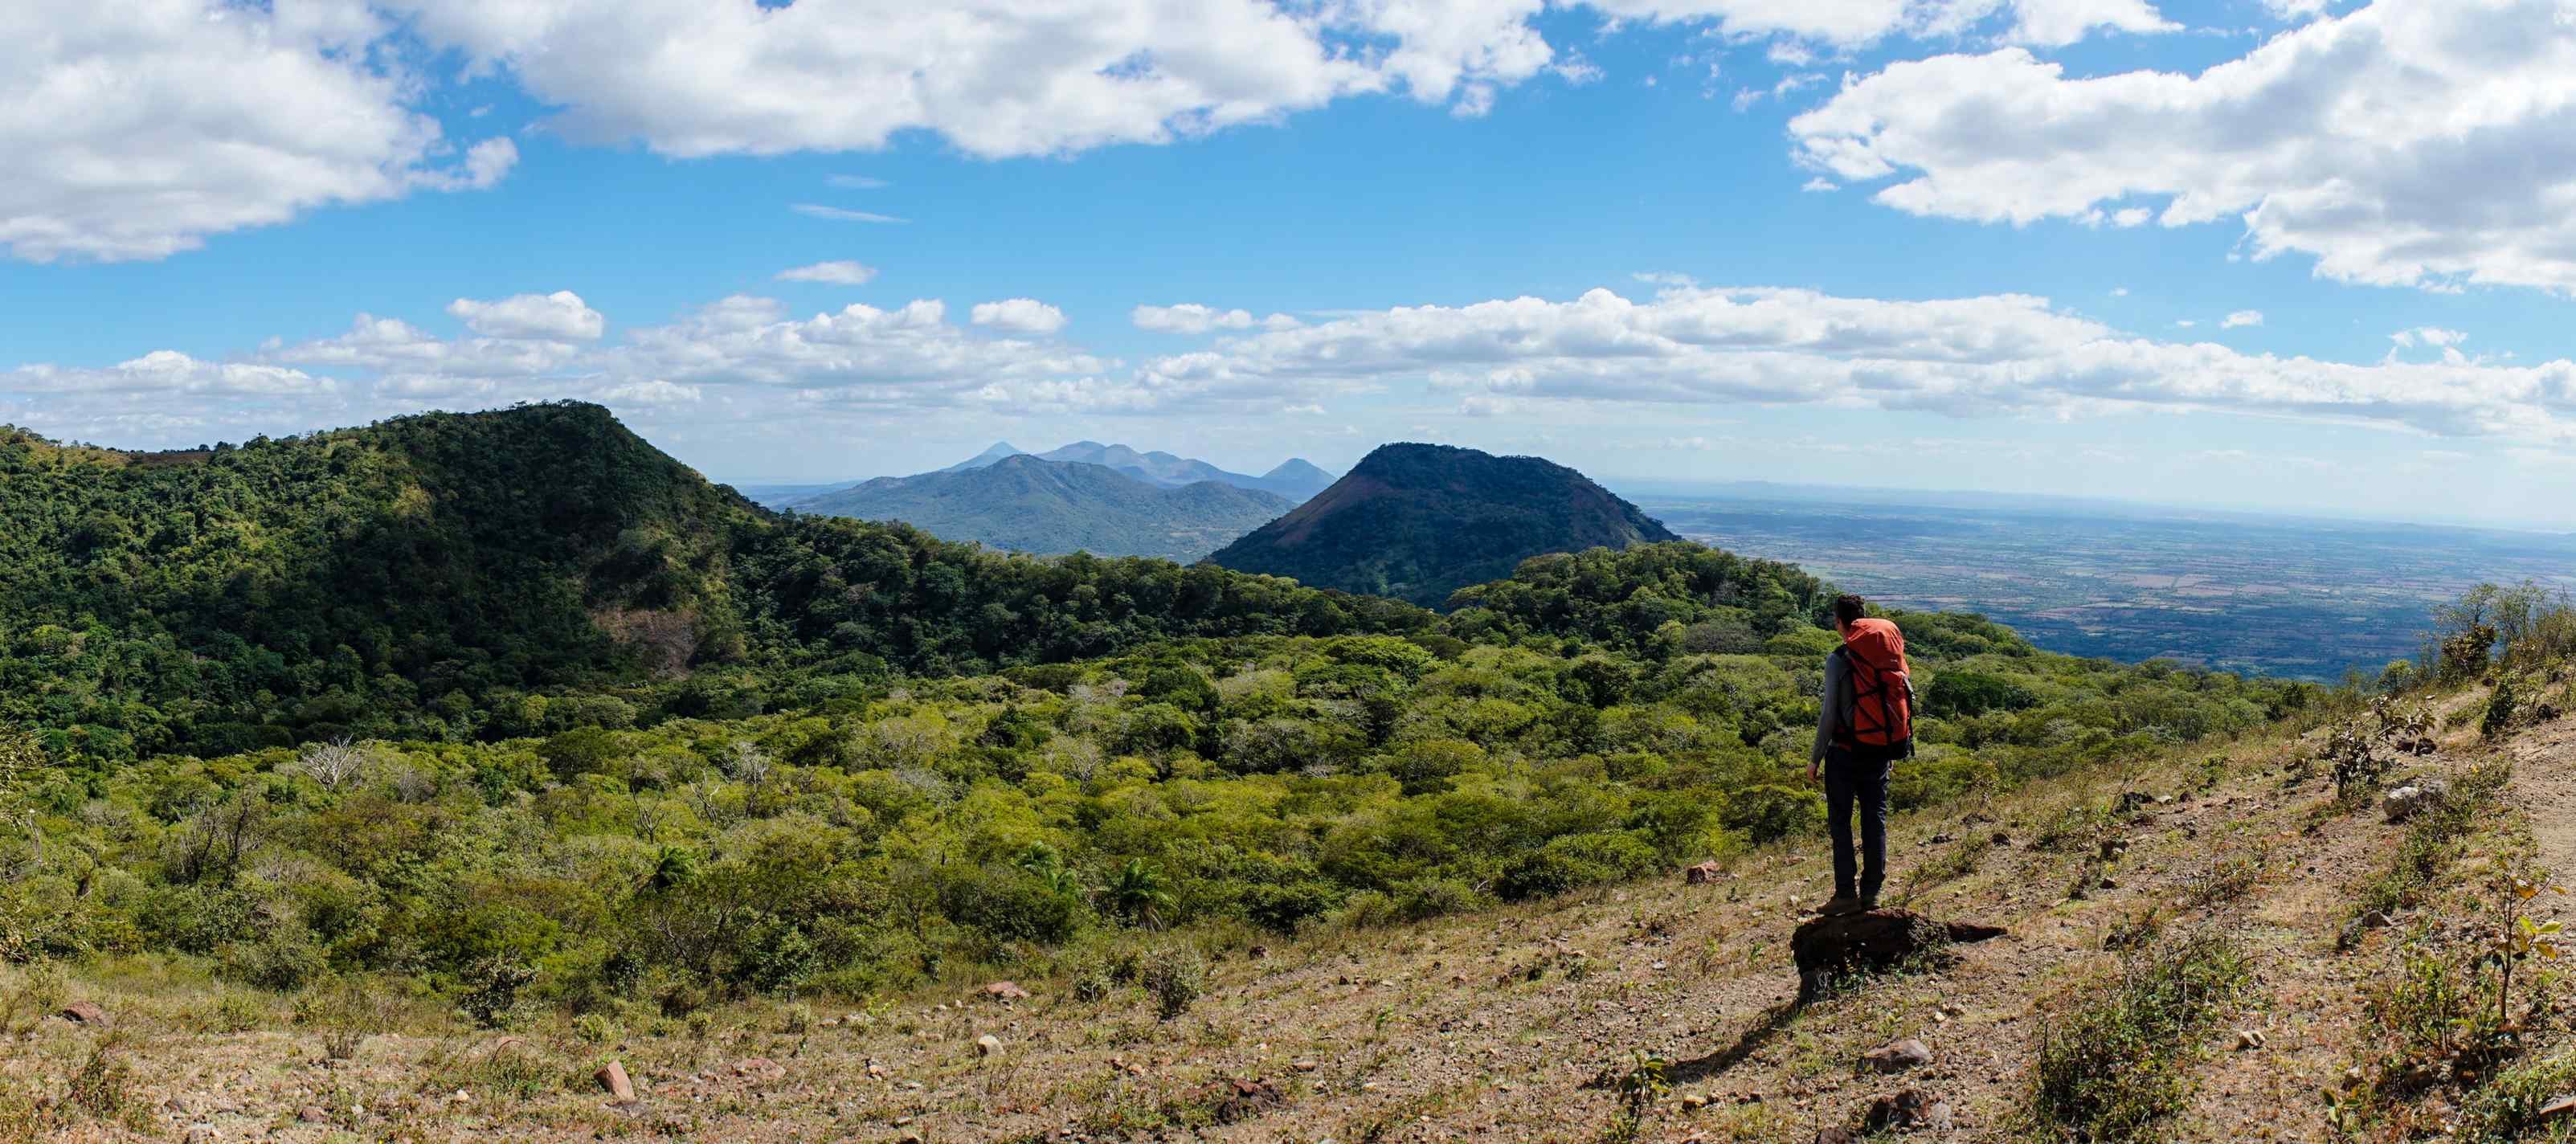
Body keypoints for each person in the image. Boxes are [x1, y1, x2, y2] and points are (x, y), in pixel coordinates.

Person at [1808, 594, 1916, 917]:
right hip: (1880, 751)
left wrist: (1814, 758)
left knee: (1840, 823)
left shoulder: (1839, 659)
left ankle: (1845, 894)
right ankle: (1872, 893)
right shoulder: (1887, 655)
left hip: (1843, 753)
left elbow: (1829, 715)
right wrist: (1888, 743)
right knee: (1874, 820)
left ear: (1839, 622)